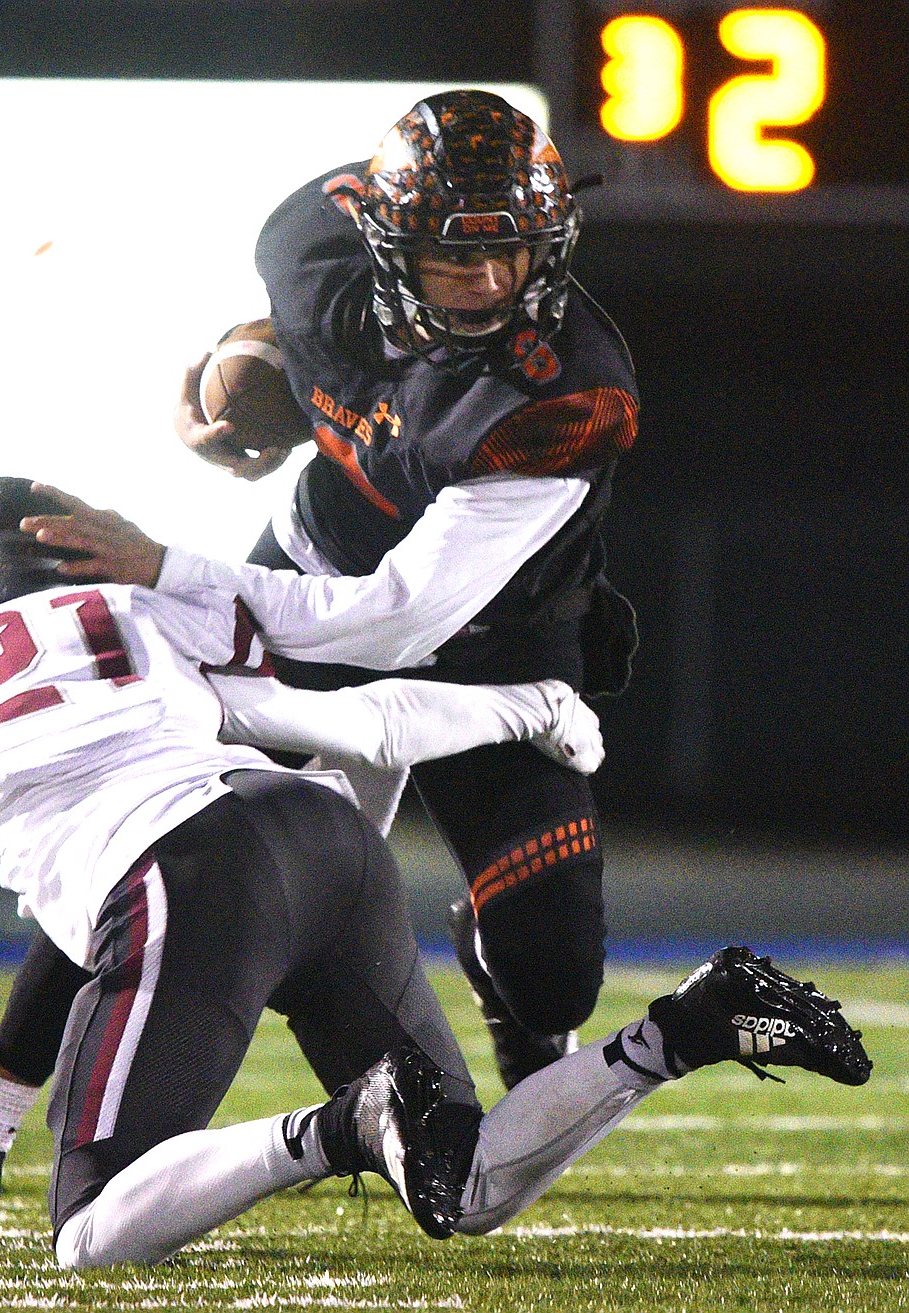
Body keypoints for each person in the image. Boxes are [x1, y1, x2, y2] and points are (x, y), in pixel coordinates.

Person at [0, 478, 872, 1271]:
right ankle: (687, 1025)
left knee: (92, 1231)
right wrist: (534, 704)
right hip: (320, 837)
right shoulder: (136, 620)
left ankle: (341, 1124)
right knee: (460, 1180)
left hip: (183, 875)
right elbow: (364, 725)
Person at [164, 87, 641, 1089]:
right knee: (157, 841)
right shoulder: (310, 244)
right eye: (454, 257)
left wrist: (158, 571)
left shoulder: (563, 393)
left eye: (509, 253)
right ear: (385, 247)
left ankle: (495, 959)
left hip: (493, 642)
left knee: (554, 977)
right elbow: (295, 354)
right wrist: (226, 389)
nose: (486, 283)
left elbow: (397, 622)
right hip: (317, 560)